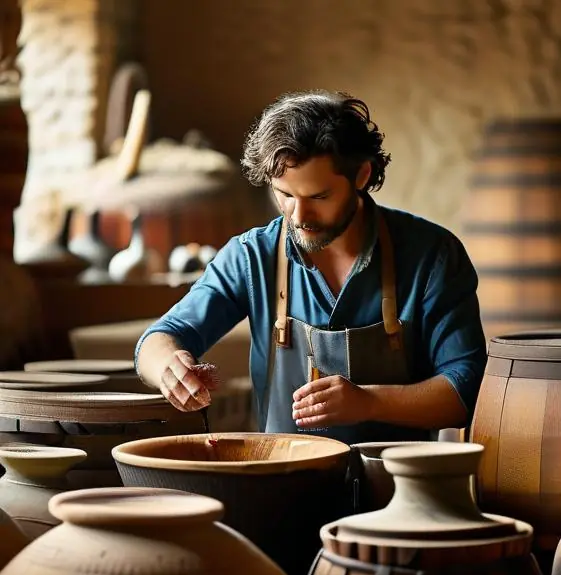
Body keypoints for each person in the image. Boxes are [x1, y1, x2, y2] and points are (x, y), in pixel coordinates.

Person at [134, 90, 488, 445]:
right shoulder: (252, 256)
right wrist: (170, 368)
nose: (299, 217)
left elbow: (465, 388)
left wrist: (368, 402)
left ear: (362, 175)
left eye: (319, 197)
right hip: (282, 485)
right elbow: (158, 339)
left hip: (397, 488)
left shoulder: (432, 255)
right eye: (285, 195)